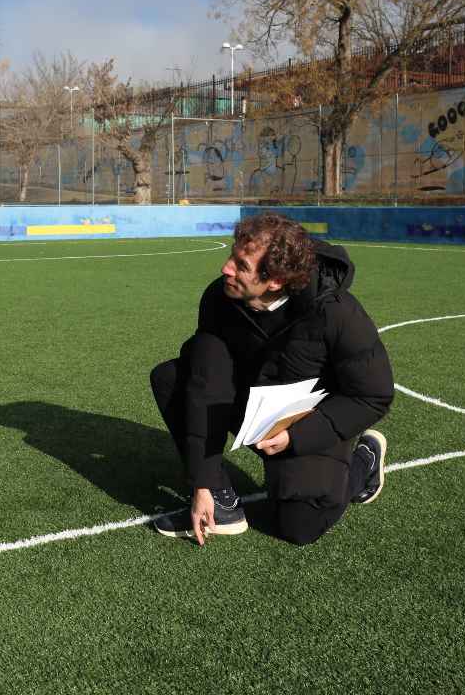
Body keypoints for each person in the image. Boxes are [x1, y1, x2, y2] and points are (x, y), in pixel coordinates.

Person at [150, 212, 393, 546]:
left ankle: (363, 463)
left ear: (275, 280)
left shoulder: (337, 312)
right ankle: (223, 504)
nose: (226, 268)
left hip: (307, 424)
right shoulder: (220, 299)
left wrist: (298, 436)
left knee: (300, 526)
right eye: (232, 257)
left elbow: (372, 395)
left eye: (241, 265)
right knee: (172, 377)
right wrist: (203, 482)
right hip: (251, 409)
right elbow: (208, 383)